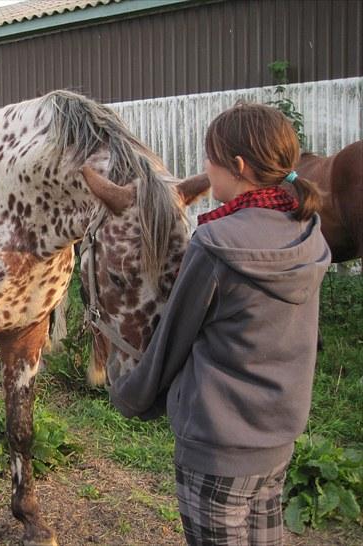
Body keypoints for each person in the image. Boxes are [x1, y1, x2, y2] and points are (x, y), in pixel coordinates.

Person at [107, 103, 331, 545]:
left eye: (209, 159)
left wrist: (131, 396)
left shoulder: (215, 244)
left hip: (216, 448)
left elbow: (173, 338)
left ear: (240, 166)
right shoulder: (308, 229)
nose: (205, 169)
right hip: (277, 440)